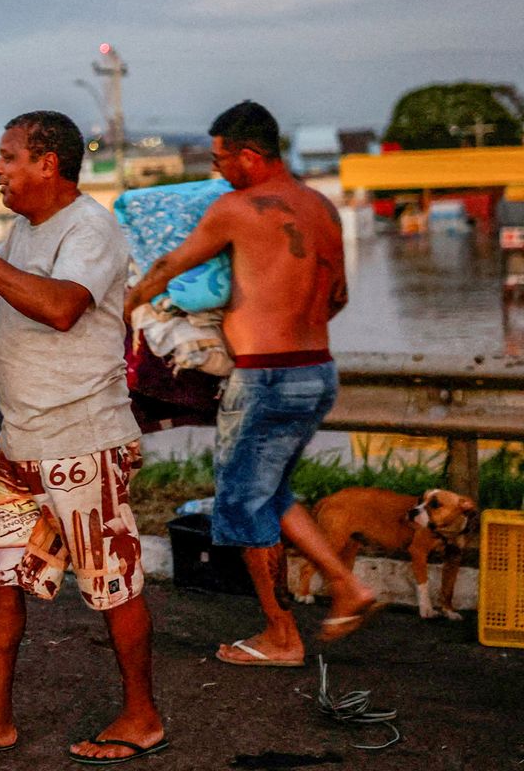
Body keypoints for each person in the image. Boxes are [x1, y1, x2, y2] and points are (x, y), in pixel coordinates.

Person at [0, 111, 167, 765]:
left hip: (83, 436)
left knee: (111, 585)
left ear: (47, 163)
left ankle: (141, 716)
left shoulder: (93, 228)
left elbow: (60, 307)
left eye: (8, 157)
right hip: (23, 442)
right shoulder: (24, 229)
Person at [125, 101, 380, 667]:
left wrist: (127, 304)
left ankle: (282, 636)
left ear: (249, 155)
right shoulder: (323, 207)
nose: (217, 170)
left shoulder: (236, 207)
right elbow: (337, 296)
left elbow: (170, 264)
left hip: (266, 378)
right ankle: (347, 585)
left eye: (221, 159)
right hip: (317, 371)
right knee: (270, 491)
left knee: (240, 505)